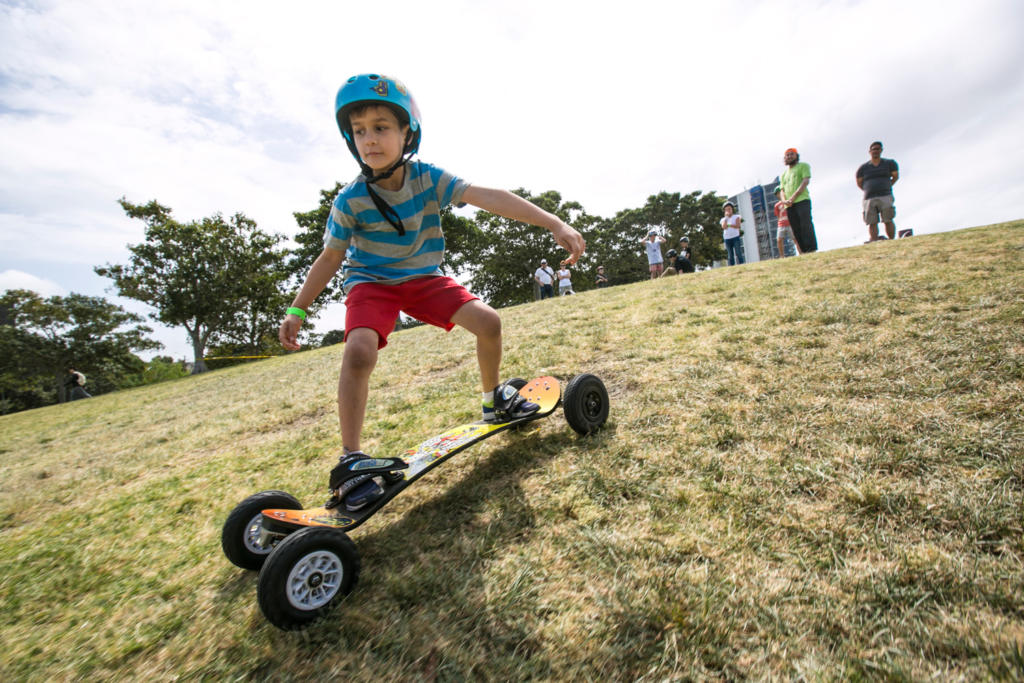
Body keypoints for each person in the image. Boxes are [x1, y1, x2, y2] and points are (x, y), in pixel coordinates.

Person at [279, 74, 585, 511]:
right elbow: (330, 258)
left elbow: (486, 196)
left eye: (381, 126)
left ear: (407, 133)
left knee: (489, 322)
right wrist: (298, 309)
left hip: (424, 278)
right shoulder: (350, 201)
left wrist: (554, 222)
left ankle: (493, 400)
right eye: (359, 130)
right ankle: (351, 461)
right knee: (359, 350)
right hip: (372, 282)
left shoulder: (427, 178)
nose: (369, 139)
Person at [856, 141, 900, 241]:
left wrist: (887, 186)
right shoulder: (863, 168)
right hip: (869, 197)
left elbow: (895, 176)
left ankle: (891, 240)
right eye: (873, 149)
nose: (875, 151)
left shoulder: (890, 163)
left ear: (881, 150)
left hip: (885, 195)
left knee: (888, 219)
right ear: (869, 151)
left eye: (877, 149)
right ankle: (874, 240)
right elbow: (859, 182)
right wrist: (867, 189)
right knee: (871, 222)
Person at [778, 148, 818, 253]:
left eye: (792, 154)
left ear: (796, 156)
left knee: (806, 224)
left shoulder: (803, 166)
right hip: (789, 205)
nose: (789, 156)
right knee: (796, 228)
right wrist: (784, 200)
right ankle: (803, 250)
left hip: (802, 200)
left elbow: (805, 181)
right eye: (787, 155)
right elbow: (782, 189)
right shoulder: (783, 175)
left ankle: (811, 248)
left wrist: (793, 197)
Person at [773, 187, 801, 257]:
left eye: (779, 193)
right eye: (777, 194)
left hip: (790, 223)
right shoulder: (777, 205)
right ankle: (782, 256)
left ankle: (801, 253)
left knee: (795, 239)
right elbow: (777, 215)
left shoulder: (789, 201)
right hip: (781, 224)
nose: (778, 195)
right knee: (779, 240)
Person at [720, 201, 744, 266]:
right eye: (726, 209)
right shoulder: (723, 219)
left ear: (732, 209)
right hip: (727, 238)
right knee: (730, 254)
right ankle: (731, 266)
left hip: (735, 237)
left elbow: (738, 226)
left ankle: (742, 264)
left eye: (729, 209)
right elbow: (724, 227)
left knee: (738, 252)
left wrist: (729, 225)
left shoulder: (736, 216)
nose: (728, 210)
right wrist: (726, 218)